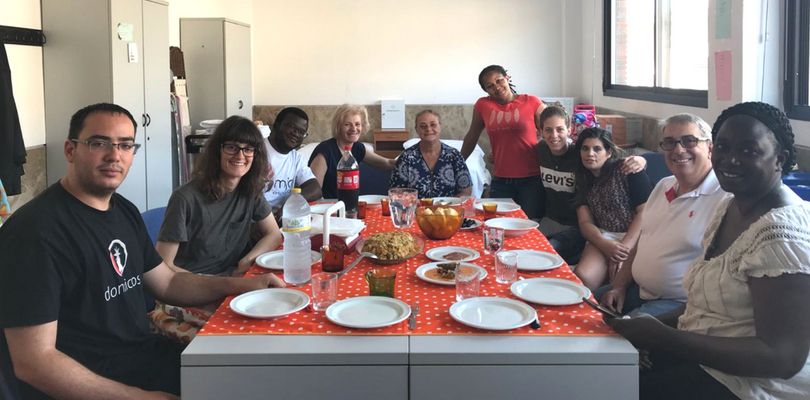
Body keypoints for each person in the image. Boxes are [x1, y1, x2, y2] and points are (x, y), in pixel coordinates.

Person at [0, 103, 285, 399]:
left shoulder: (123, 211)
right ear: (70, 150)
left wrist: (242, 285)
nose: (114, 155)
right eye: (99, 143)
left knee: (257, 377)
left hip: (142, 356)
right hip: (93, 380)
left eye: (125, 145)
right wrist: (141, 397)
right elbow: (35, 363)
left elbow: (168, 282)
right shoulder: (35, 233)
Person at [608, 102, 810, 399]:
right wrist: (649, 326)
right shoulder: (730, 206)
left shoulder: (782, 235)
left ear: (779, 158)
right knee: (599, 363)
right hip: (700, 356)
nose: (731, 160)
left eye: (748, 150)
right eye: (724, 148)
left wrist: (665, 337)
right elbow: (705, 307)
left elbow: (782, 358)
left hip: (745, 384)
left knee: (607, 387)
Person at [151, 115, 284, 342]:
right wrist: (222, 284)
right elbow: (163, 267)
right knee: (240, 339)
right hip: (189, 289)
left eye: (248, 149)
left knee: (277, 316)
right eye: (232, 147)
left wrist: (247, 260)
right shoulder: (185, 198)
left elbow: (273, 234)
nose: (240, 155)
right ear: (217, 151)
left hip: (229, 281)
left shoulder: (249, 190)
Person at [598, 114, 727, 317]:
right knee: (580, 305)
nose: (678, 149)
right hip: (638, 289)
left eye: (689, 141)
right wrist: (618, 286)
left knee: (619, 331)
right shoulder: (663, 185)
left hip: (681, 304)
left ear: (710, 147)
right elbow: (642, 241)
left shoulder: (725, 198)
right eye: (669, 142)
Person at [536, 105, 646, 265]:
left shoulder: (580, 156)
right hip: (551, 220)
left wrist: (642, 160)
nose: (554, 135)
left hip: (575, 227)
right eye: (548, 130)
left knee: (546, 253)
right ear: (541, 131)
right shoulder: (541, 150)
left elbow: (614, 160)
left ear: (569, 130)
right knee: (528, 248)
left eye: (559, 129)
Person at [460, 65, 545, 220]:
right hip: (501, 180)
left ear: (507, 78)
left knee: (529, 224)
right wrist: (458, 163)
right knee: (497, 224)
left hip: (531, 179)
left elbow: (549, 131)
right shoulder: (483, 105)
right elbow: (472, 136)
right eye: (490, 86)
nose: (497, 88)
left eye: (499, 81)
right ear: (486, 90)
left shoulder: (532, 102)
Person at [572, 128, 651, 291]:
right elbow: (585, 222)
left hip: (637, 235)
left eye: (597, 149)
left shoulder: (627, 169)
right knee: (584, 277)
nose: (590, 154)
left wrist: (624, 250)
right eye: (585, 148)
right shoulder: (582, 179)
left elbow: (645, 212)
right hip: (605, 235)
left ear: (608, 152)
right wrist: (605, 244)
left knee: (617, 281)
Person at [308, 104, 396, 198]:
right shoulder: (324, 151)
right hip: (328, 205)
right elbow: (314, 194)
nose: (354, 129)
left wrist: (405, 159)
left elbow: (386, 163)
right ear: (338, 127)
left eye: (357, 124)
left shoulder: (357, 147)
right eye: (347, 124)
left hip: (351, 204)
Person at [389, 110, 472, 198]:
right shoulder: (406, 157)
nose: (428, 129)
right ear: (416, 129)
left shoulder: (454, 156)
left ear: (440, 126)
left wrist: (452, 204)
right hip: (414, 206)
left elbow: (465, 192)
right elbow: (396, 193)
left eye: (433, 125)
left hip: (449, 206)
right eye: (423, 126)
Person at [263, 107, 321, 215]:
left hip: (284, 217)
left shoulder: (296, 157)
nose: (296, 134)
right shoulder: (256, 151)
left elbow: (315, 189)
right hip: (258, 218)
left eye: (301, 132)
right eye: (292, 127)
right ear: (276, 125)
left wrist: (290, 203)